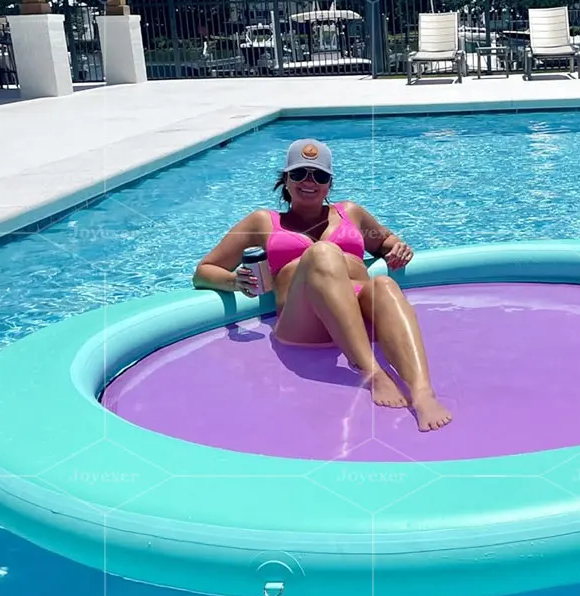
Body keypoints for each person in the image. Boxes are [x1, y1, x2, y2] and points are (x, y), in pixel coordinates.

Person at [193, 138, 453, 432]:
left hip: (360, 314)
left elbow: (385, 242)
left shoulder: (351, 213)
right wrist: (235, 282)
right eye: (299, 173)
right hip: (304, 320)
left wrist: (398, 248)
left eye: (319, 176)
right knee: (322, 253)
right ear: (285, 180)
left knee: (383, 284)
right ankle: (372, 372)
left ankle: (421, 391)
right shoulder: (264, 220)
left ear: (329, 183)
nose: (309, 181)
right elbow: (203, 271)